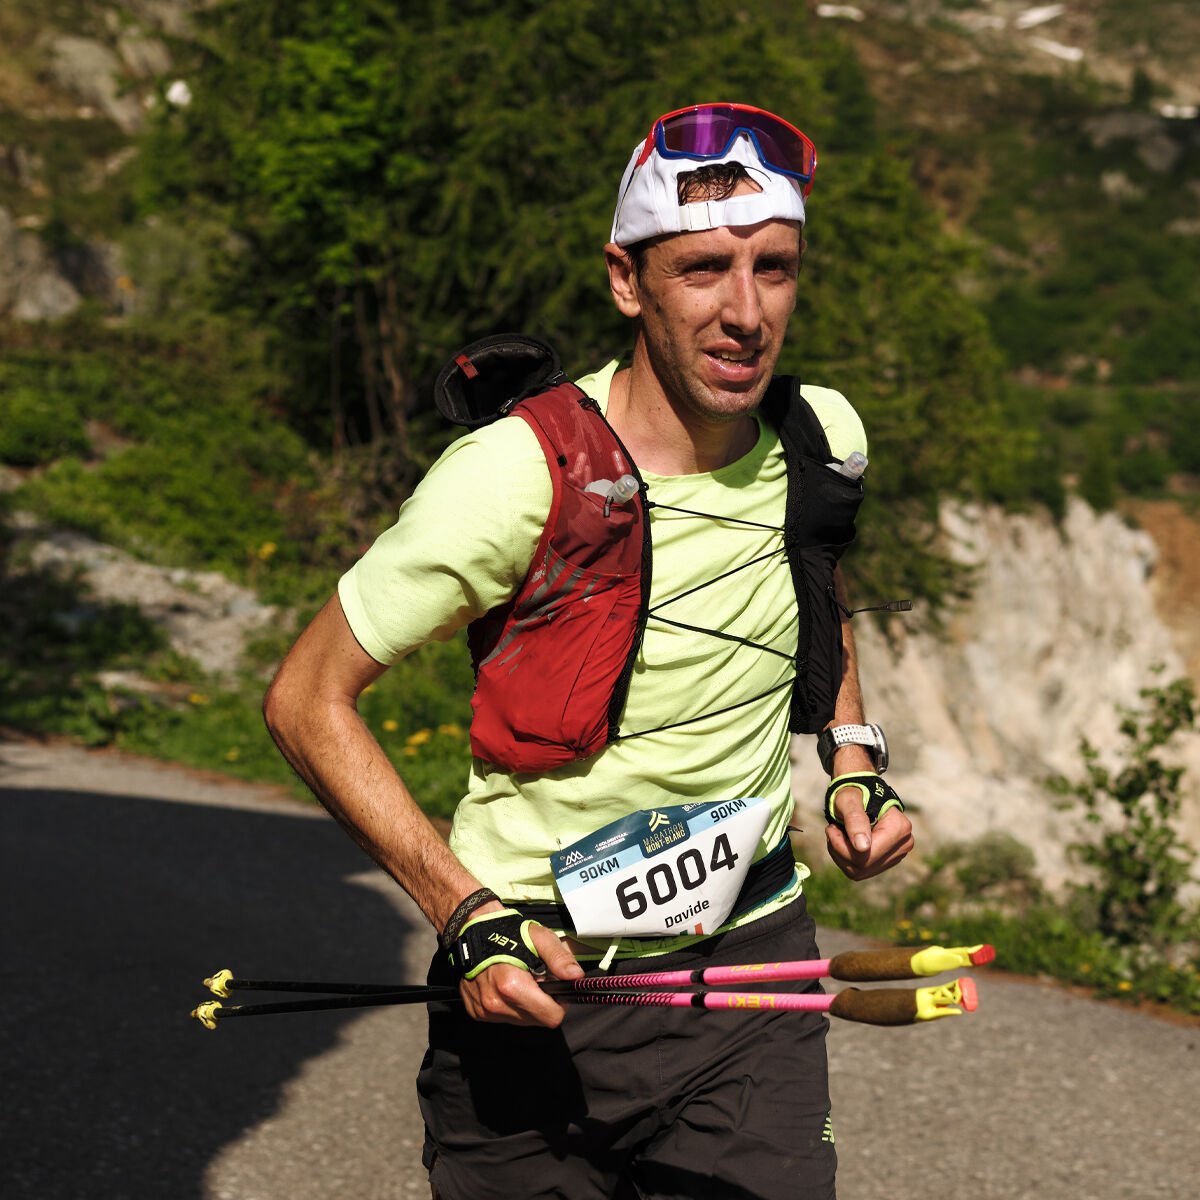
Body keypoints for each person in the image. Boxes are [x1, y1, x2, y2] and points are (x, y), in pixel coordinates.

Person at [264, 101, 914, 1200]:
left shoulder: (822, 437)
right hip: (538, 981)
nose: (746, 311)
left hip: (752, 965)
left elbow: (817, 583)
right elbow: (305, 698)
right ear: (627, 280)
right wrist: (463, 913)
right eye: (703, 269)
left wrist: (852, 755)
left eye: (775, 268)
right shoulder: (513, 474)